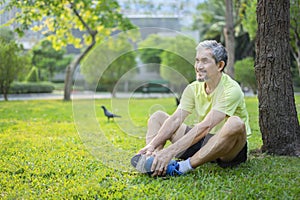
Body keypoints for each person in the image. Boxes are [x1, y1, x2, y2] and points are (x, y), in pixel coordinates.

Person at [131, 40, 251, 177]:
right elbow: (176, 119)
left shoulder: (231, 89)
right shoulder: (193, 88)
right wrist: (152, 145)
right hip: (201, 141)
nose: (198, 66)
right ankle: (154, 159)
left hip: (227, 147)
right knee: (158, 117)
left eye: (204, 61)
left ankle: (182, 167)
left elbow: (206, 125)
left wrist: (170, 151)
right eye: (197, 61)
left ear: (220, 65)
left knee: (235, 122)